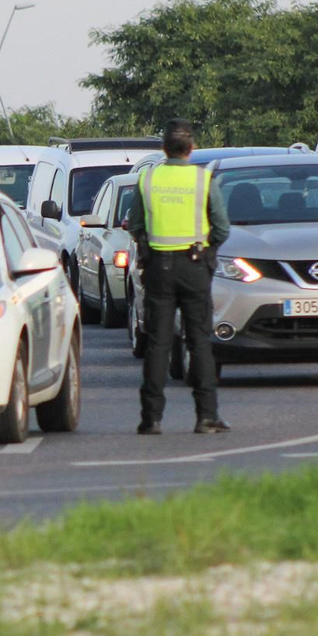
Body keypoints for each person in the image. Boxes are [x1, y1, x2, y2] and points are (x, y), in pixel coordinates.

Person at [127, 119, 231, 435]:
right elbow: (222, 228)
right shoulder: (203, 179)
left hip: (159, 267)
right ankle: (206, 416)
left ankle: (151, 419)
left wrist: (148, 248)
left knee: (158, 343)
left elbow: (135, 225)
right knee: (199, 340)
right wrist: (208, 252)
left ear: (163, 147)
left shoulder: (147, 179)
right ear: (191, 148)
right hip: (195, 265)